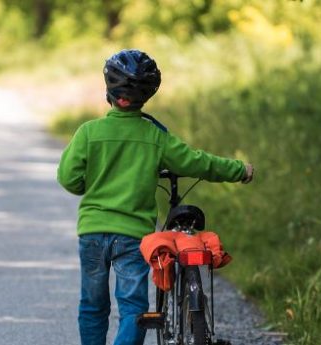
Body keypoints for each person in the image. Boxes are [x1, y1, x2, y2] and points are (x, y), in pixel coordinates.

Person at [57, 49, 254, 345]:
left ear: (109, 91)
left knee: (93, 305)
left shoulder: (88, 132)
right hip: (132, 236)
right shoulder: (155, 136)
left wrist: (95, 183)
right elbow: (197, 162)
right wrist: (239, 169)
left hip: (93, 233)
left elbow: (69, 179)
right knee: (133, 308)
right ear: (146, 96)